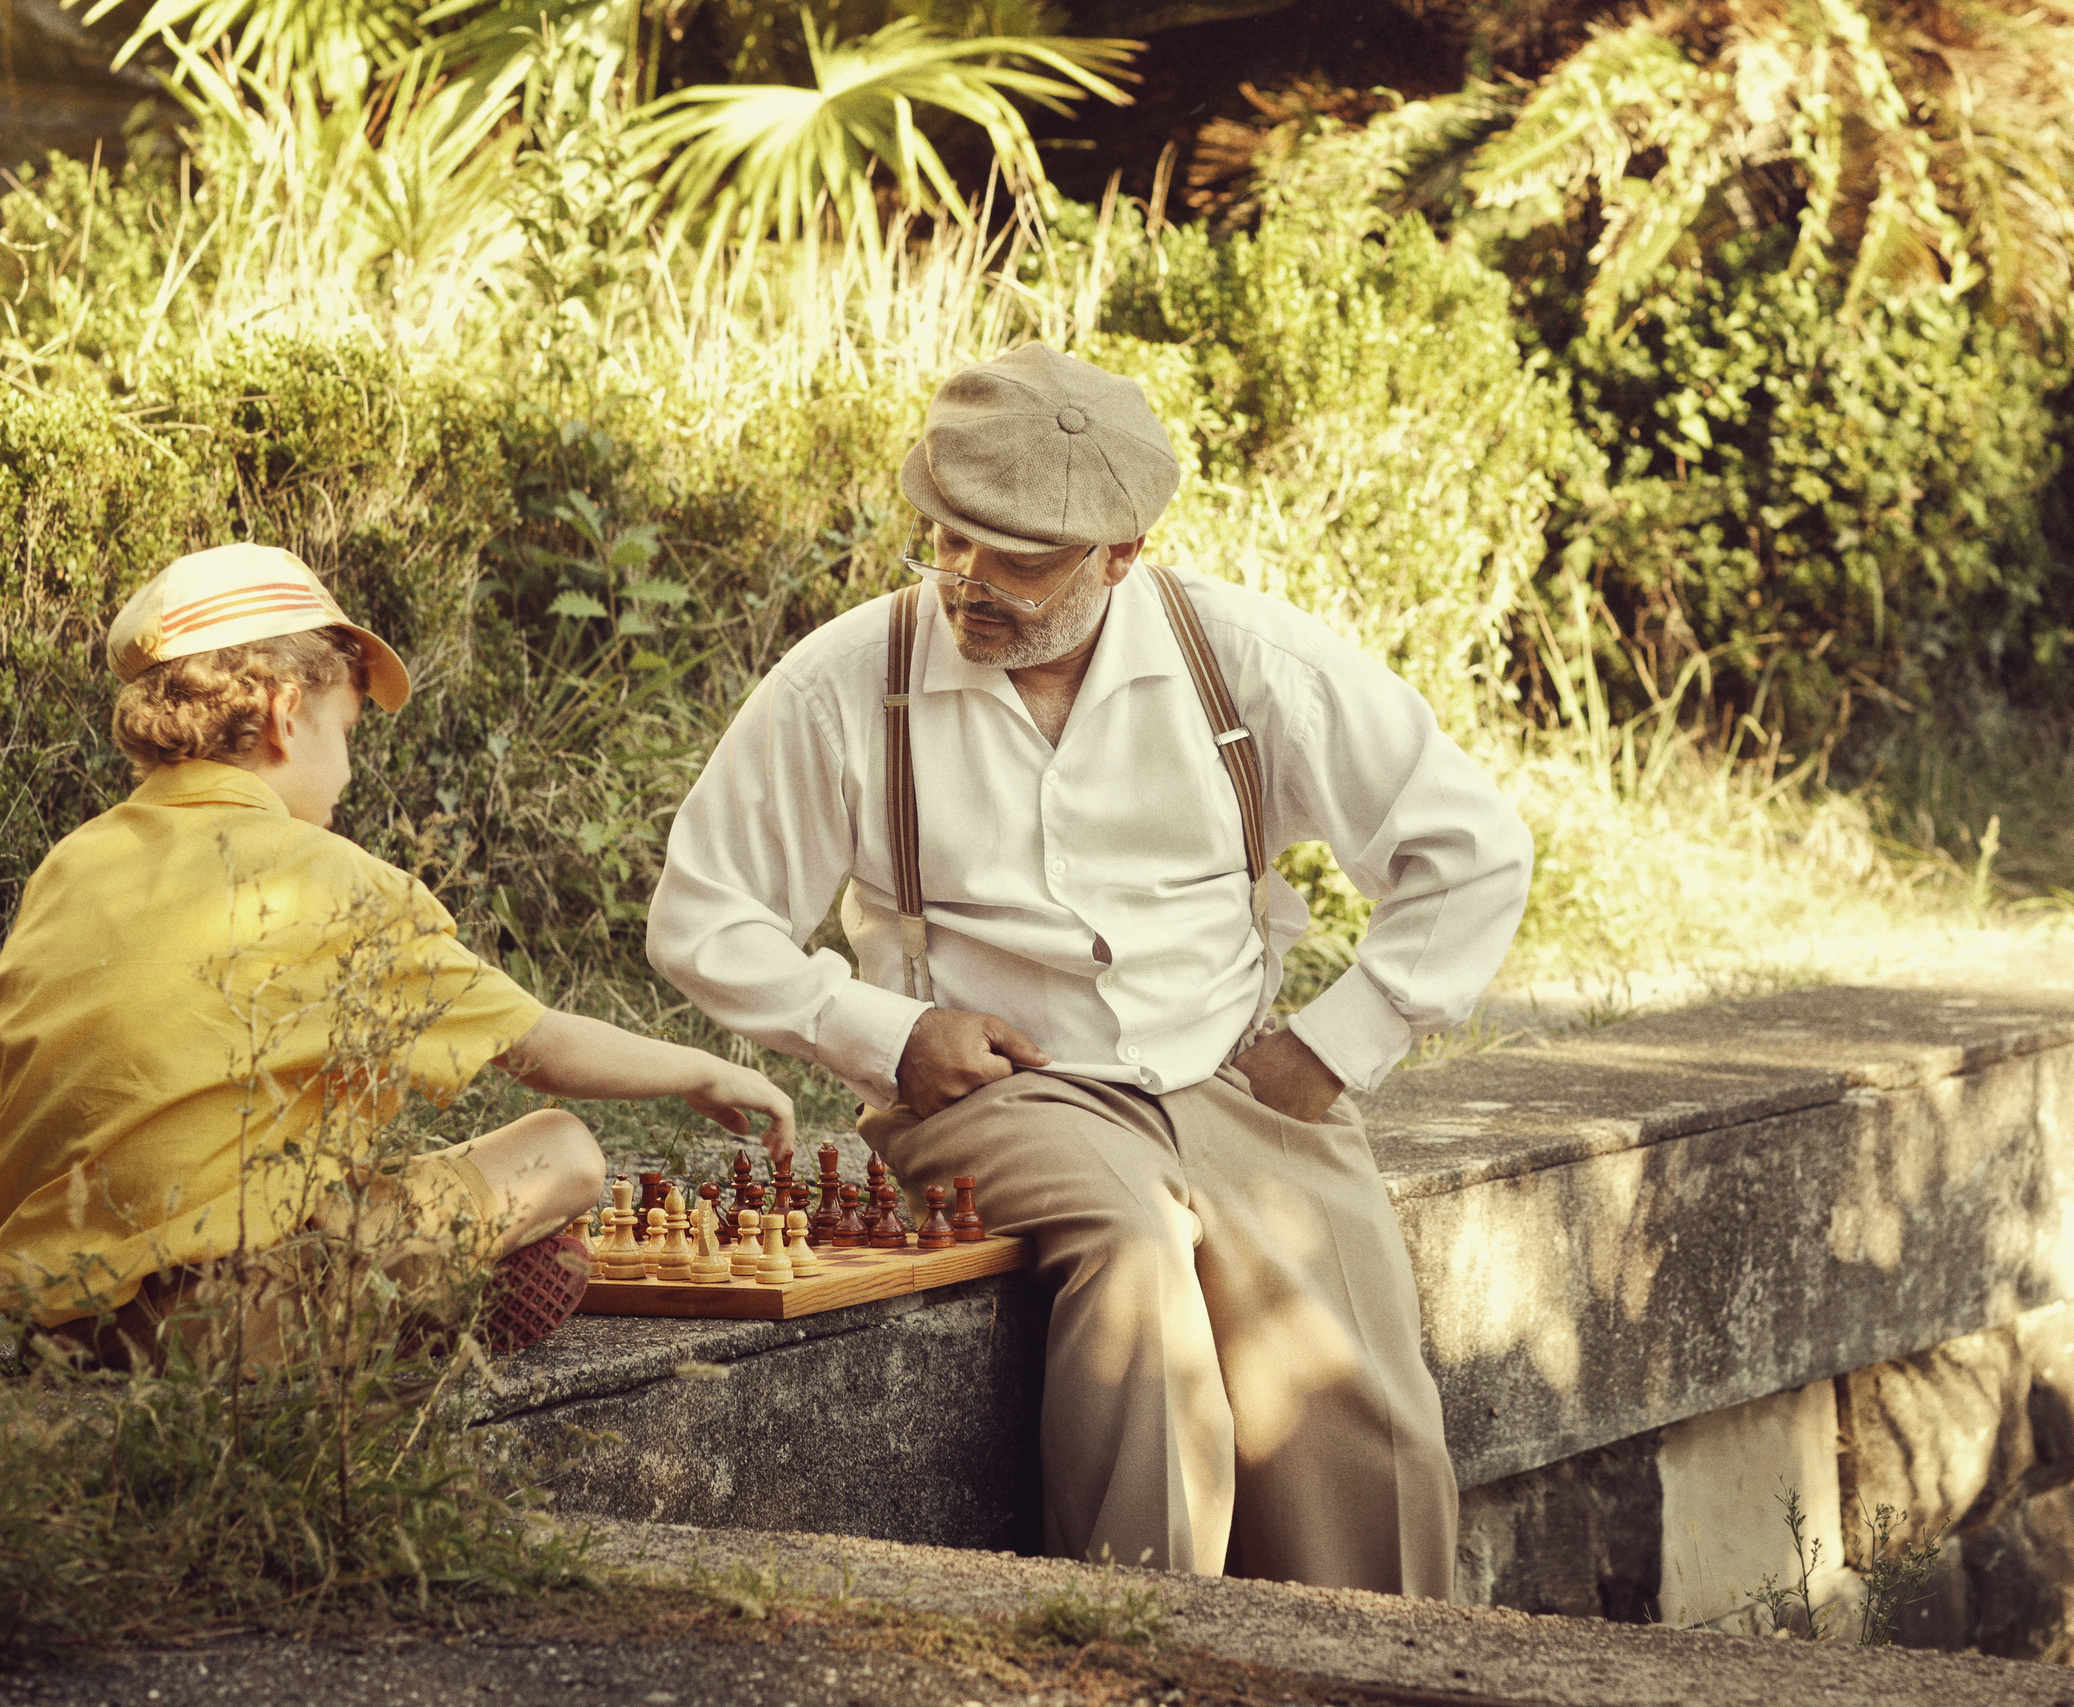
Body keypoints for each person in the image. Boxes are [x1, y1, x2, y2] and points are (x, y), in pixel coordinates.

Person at [646, 343, 1532, 1596]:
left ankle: (1372, 1671)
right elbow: (704, 916)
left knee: (1366, 1416)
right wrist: (887, 1032)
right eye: (950, 538)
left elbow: (1471, 847)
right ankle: (1135, 1634)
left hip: (1233, 1081)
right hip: (1001, 1091)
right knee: (1134, 1256)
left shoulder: (1247, 664)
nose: (967, 579)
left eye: (1018, 556)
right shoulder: (849, 681)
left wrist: (1338, 1044)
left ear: (1121, 555)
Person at [0, 543, 794, 1369]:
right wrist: (703, 1071)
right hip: (227, 1324)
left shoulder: (74, 862)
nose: (347, 770)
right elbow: (540, 1051)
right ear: (283, 712)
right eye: (347, 731)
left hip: (58, 1326)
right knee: (561, 1150)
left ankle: (378, 1298)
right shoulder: (330, 877)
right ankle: (409, 1314)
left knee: (335, 1180)